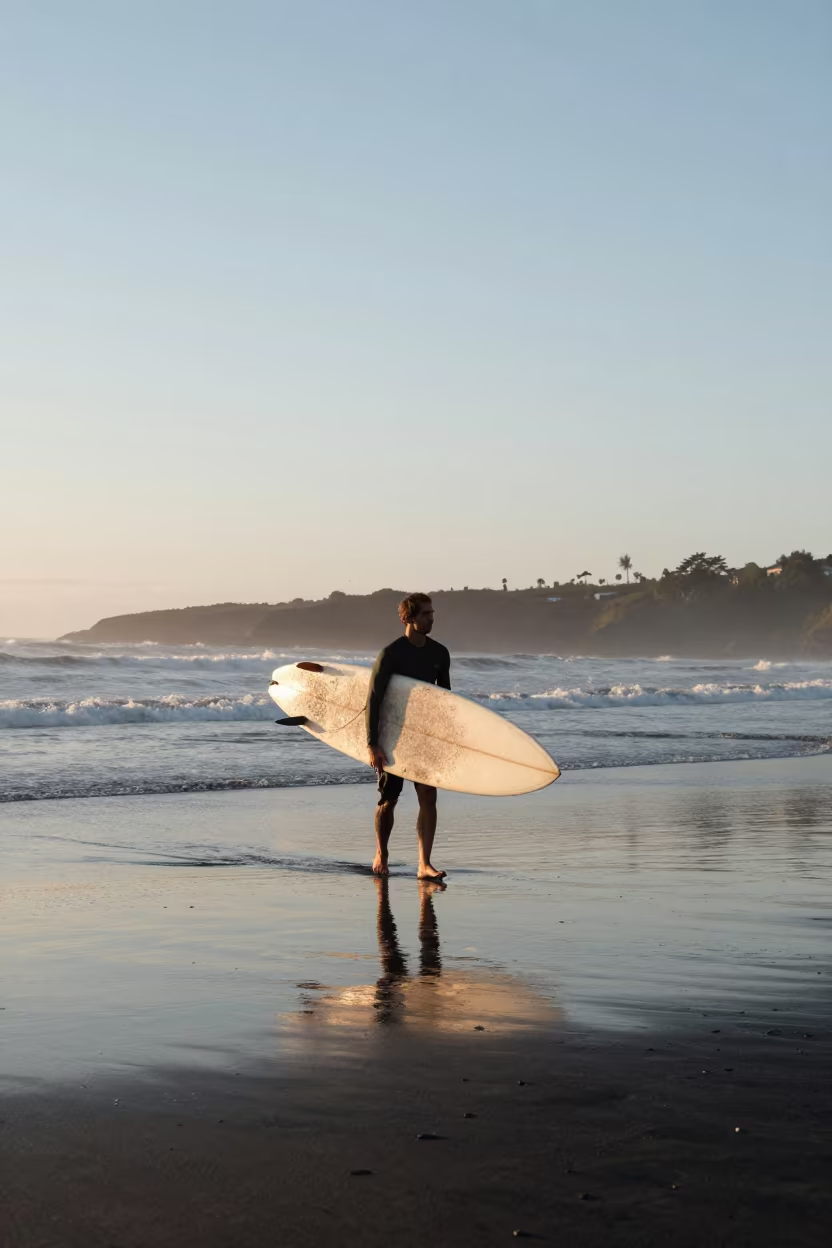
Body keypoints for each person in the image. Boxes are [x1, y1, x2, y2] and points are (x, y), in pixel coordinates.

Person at [366, 592, 450, 879]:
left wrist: (444, 740)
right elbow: (374, 700)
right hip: (394, 735)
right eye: (425, 614)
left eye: (432, 613)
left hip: (424, 737)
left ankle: (424, 864)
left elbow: (445, 702)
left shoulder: (440, 653)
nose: (431, 618)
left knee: (428, 796)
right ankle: (381, 851)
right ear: (409, 618)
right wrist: (372, 743)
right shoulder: (391, 654)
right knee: (389, 800)